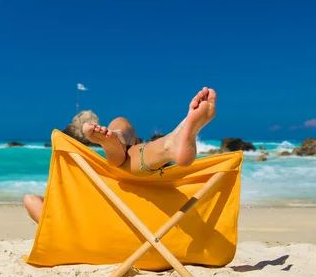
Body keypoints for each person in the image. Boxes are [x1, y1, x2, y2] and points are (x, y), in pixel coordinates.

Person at [24, 87, 216, 223]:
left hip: (104, 232)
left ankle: (125, 140)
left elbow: (32, 201)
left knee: (30, 200)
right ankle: (164, 144)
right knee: (124, 145)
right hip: (161, 225)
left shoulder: (72, 220)